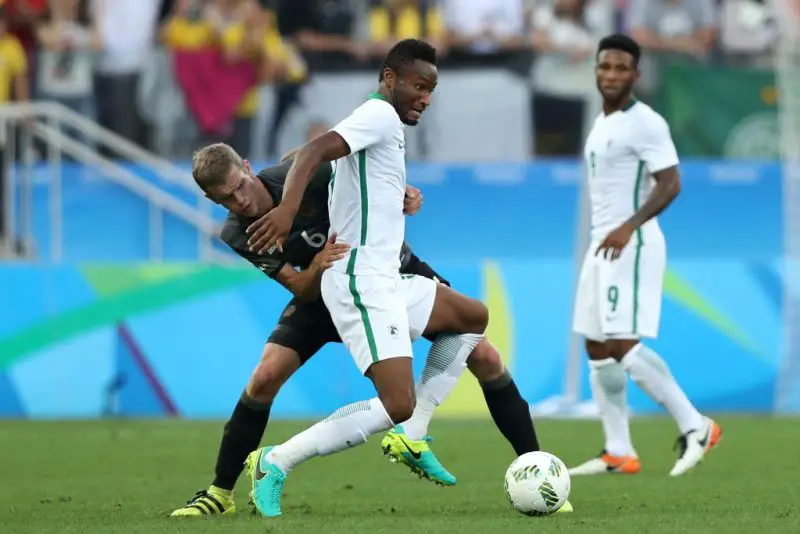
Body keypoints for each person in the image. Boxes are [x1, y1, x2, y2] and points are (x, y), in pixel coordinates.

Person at [170, 143, 558, 516]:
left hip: (389, 271)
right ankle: (220, 493)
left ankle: (535, 469)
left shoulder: (304, 174)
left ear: (247, 167)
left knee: (484, 354)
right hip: (322, 291)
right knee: (265, 377)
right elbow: (300, 288)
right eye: (226, 199)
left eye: (240, 186)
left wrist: (402, 193)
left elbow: (363, 167)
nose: (240, 201)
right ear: (212, 200)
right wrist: (317, 264)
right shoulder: (238, 232)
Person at [568, 34, 722, 478]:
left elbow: (671, 182)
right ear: (596, 70)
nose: (611, 75)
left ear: (636, 75)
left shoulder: (646, 122)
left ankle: (696, 425)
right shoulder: (603, 122)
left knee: (622, 342)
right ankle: (619, 450)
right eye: (605, 66)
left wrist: (628, 226)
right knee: (597, 344)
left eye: (621, 68)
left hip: (630, 243)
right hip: (603, 243)